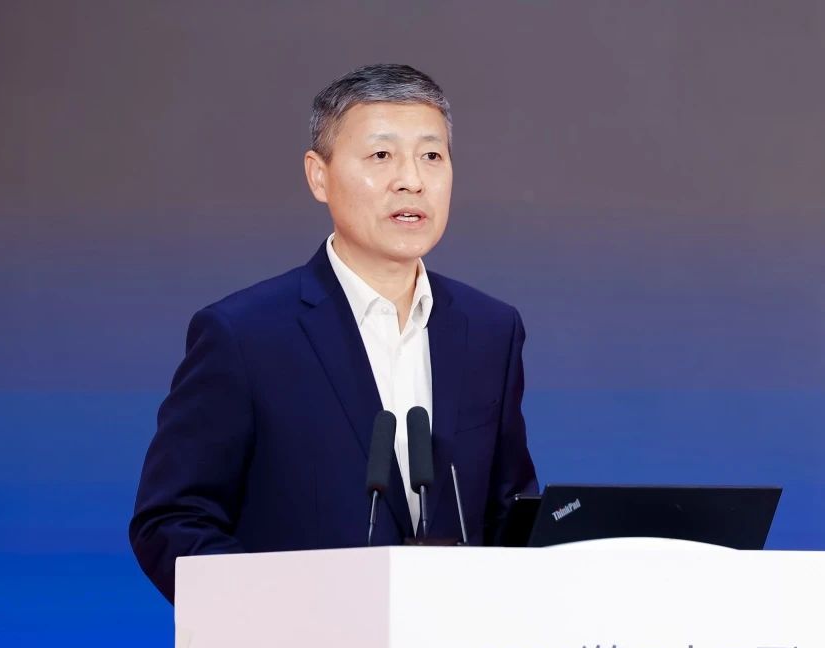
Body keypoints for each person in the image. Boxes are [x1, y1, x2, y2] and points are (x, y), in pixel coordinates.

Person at [130, 64, 537, 603]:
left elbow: (511, 513)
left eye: (431, 156)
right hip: (297, 646)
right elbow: (172, 520)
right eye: (381, 155)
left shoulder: (490, 329)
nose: (411, 180)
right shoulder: (245, 336)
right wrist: (281, 616)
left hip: (448, 646)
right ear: (318, 176)